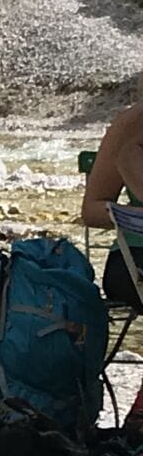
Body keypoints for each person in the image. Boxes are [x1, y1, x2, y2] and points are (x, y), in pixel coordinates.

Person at [81, 85, 143, 435]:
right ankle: (139, 420)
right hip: (132, 256)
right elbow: (91, 209)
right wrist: (128, 213)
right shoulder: (131, 123)